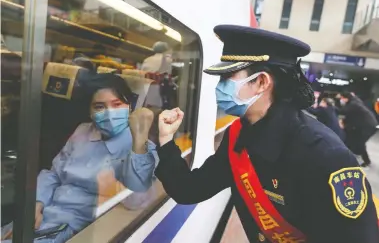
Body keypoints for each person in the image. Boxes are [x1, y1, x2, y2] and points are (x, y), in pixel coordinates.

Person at [155, 25, 379, 243]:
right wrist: (166, 141)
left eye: (227, 79)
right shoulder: (238, 136)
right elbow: (190, 190)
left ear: (261, 82)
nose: (219, 88)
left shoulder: (324, 153)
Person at [1, 73, 158, 243]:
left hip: (73, 228)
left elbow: (136, 201)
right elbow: (54, 173)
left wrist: (139, 141)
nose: (110, 113)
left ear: (129, 107)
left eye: (117, 104)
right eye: (99, 106)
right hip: (45, 213)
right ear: (89, 111)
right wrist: (37, 203)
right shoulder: (83, 131)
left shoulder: (141, 147)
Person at [339, 92, 378, 167]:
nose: (341, 100)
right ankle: (356, 153)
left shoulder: (353, 104)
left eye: (341, 98)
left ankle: (366, 161)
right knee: (355, 140)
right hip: (366, 124)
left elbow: (343, 111)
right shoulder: (354, 101)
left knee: (360, 143)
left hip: (368, 126)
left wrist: (331, 107)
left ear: (345, 98)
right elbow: (350, 115)